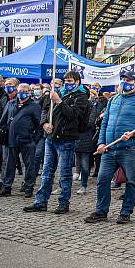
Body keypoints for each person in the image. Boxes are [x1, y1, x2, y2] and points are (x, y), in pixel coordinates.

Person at [85, 70, 135, 224]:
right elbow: (105, 123)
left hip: (129, 149)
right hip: (109, 148)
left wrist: (133, 134)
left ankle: (125, 212)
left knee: (131, 181)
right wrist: (101, 142)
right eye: (123, 80)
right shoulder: (113, 100)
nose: (125, 83)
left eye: (128, 81)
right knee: (102, 180)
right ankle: (101, 211)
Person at [24, 71, 89, 214]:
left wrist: (59, 101)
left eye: (70, 80)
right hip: (51, 138)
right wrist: (44, 124)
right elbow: (45, 111)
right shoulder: (56, 93)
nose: (67, 83)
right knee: (47, 172)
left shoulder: (81, 97)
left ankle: (63, 202)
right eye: (65, 80)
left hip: (67, 139)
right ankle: (40, 201)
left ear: (77, 82)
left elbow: (73, 115)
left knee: (64, 173)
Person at [0, 83, 41, 197]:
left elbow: (39, 126)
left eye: (25, 90)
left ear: (29, 92)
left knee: (29, 165)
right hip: (11, 139)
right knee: (9, 164)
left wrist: (34, 140)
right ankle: (6, 187)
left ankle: (28, 187)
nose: (22, 93)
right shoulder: (11, 103)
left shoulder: (34, 106)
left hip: (27, 140)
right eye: (20, 90)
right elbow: (3, 120)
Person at [74, 88, 103, 195]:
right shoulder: (74, 104)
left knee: (85, 164)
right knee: (70, 163)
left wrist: (77, 124)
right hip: (74, 137)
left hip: (86, 138)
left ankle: (83, 185)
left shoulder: (92, 106)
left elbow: (91, 122)